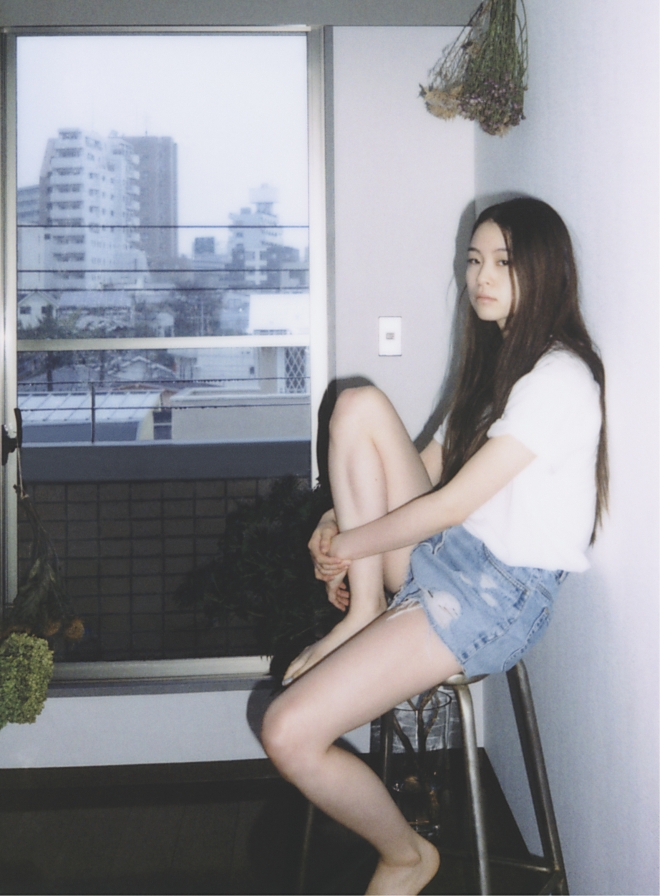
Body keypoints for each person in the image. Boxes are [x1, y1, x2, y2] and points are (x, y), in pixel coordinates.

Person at [261, 197, 608, 896]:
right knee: (356, 405)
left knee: (287, 731)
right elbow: (427, 463)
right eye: (474, 260)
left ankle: (407, 856)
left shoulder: (560, 378)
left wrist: (350, 541)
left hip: (496, 596)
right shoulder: (499, 360)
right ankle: (365, 611)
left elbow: (448, 503)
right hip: (448, 554)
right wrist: (334, 517)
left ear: (544, 269)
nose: (481, 276)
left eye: (503, 262)